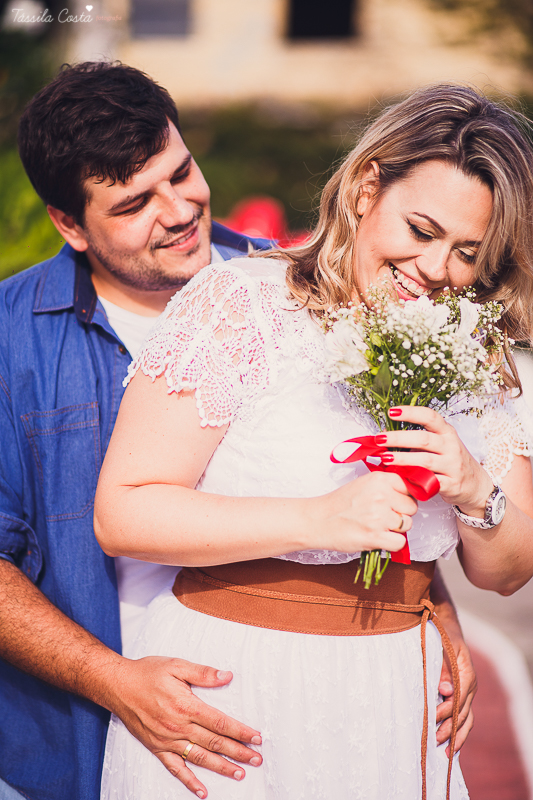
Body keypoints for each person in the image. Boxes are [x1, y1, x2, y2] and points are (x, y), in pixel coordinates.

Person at [95, 83, 533, 800]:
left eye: (465, 252)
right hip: (233, 695)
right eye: (420, 231)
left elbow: (508, 573)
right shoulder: (238, 304)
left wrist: (471, 488)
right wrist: (317, 518)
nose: (434, 269)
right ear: (366, 188)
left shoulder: (474, 351)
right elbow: (124, 511)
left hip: (397, 702)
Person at [0, 61, 274, 800]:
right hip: (69, 754)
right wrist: (116, 681)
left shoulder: (289, 288)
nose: (180, 210)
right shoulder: (6, 341)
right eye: (133, 203)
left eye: (180, 172)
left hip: (278, 726)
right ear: (68, 223)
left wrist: (428, 613)